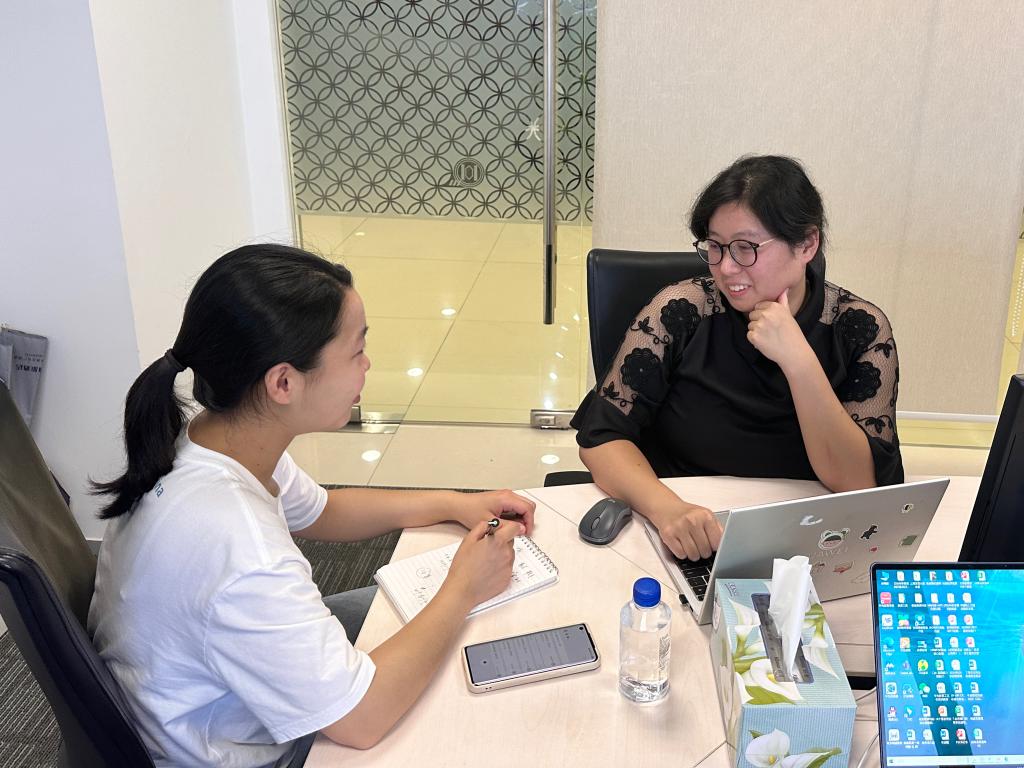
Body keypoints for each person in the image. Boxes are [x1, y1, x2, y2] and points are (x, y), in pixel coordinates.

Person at [88, 244, 536, 767]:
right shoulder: (242, 547)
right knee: (473, 702)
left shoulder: (213, 439)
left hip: (205, 698)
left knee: (453, 638)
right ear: (284, 382)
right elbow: (361, 721)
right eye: (356, 351)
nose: (367, 365)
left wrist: (454, 503)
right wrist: (464, 587)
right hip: (229, 751)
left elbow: (325, 511)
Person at [571, 155, 902, 562]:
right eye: (715, 246)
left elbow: (860, 486)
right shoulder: (682, 311)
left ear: (807, 244)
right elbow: (601, 439)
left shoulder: (859, 329)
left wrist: (799, 362)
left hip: (803, 544)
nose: (726, 268)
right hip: (688, 532)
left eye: (746, 248)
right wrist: (668, 510)